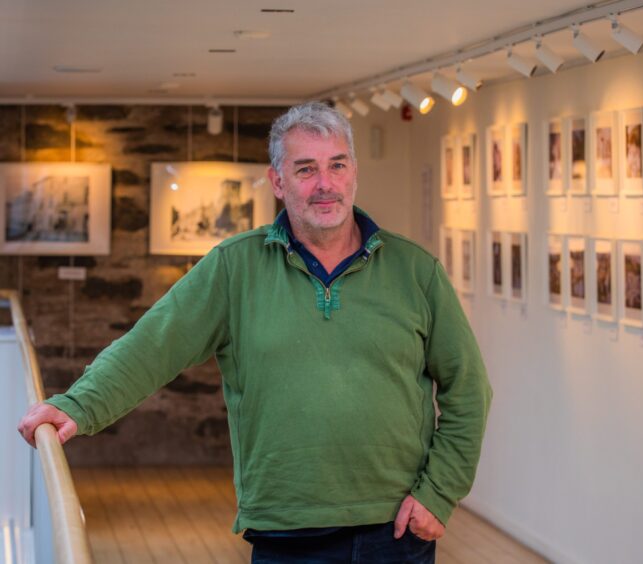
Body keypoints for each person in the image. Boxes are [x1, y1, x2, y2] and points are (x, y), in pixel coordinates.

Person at [18, 101, 493, 563]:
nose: (325, 184)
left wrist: (439, 492)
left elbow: (468, 390)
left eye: (337, 165)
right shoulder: (234, 267)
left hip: (396, 532)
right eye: (306, 169)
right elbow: (151, 346)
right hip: (286, 532)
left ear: (354, 172)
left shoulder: (416, 271)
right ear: (278, 181)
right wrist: (77, 404)